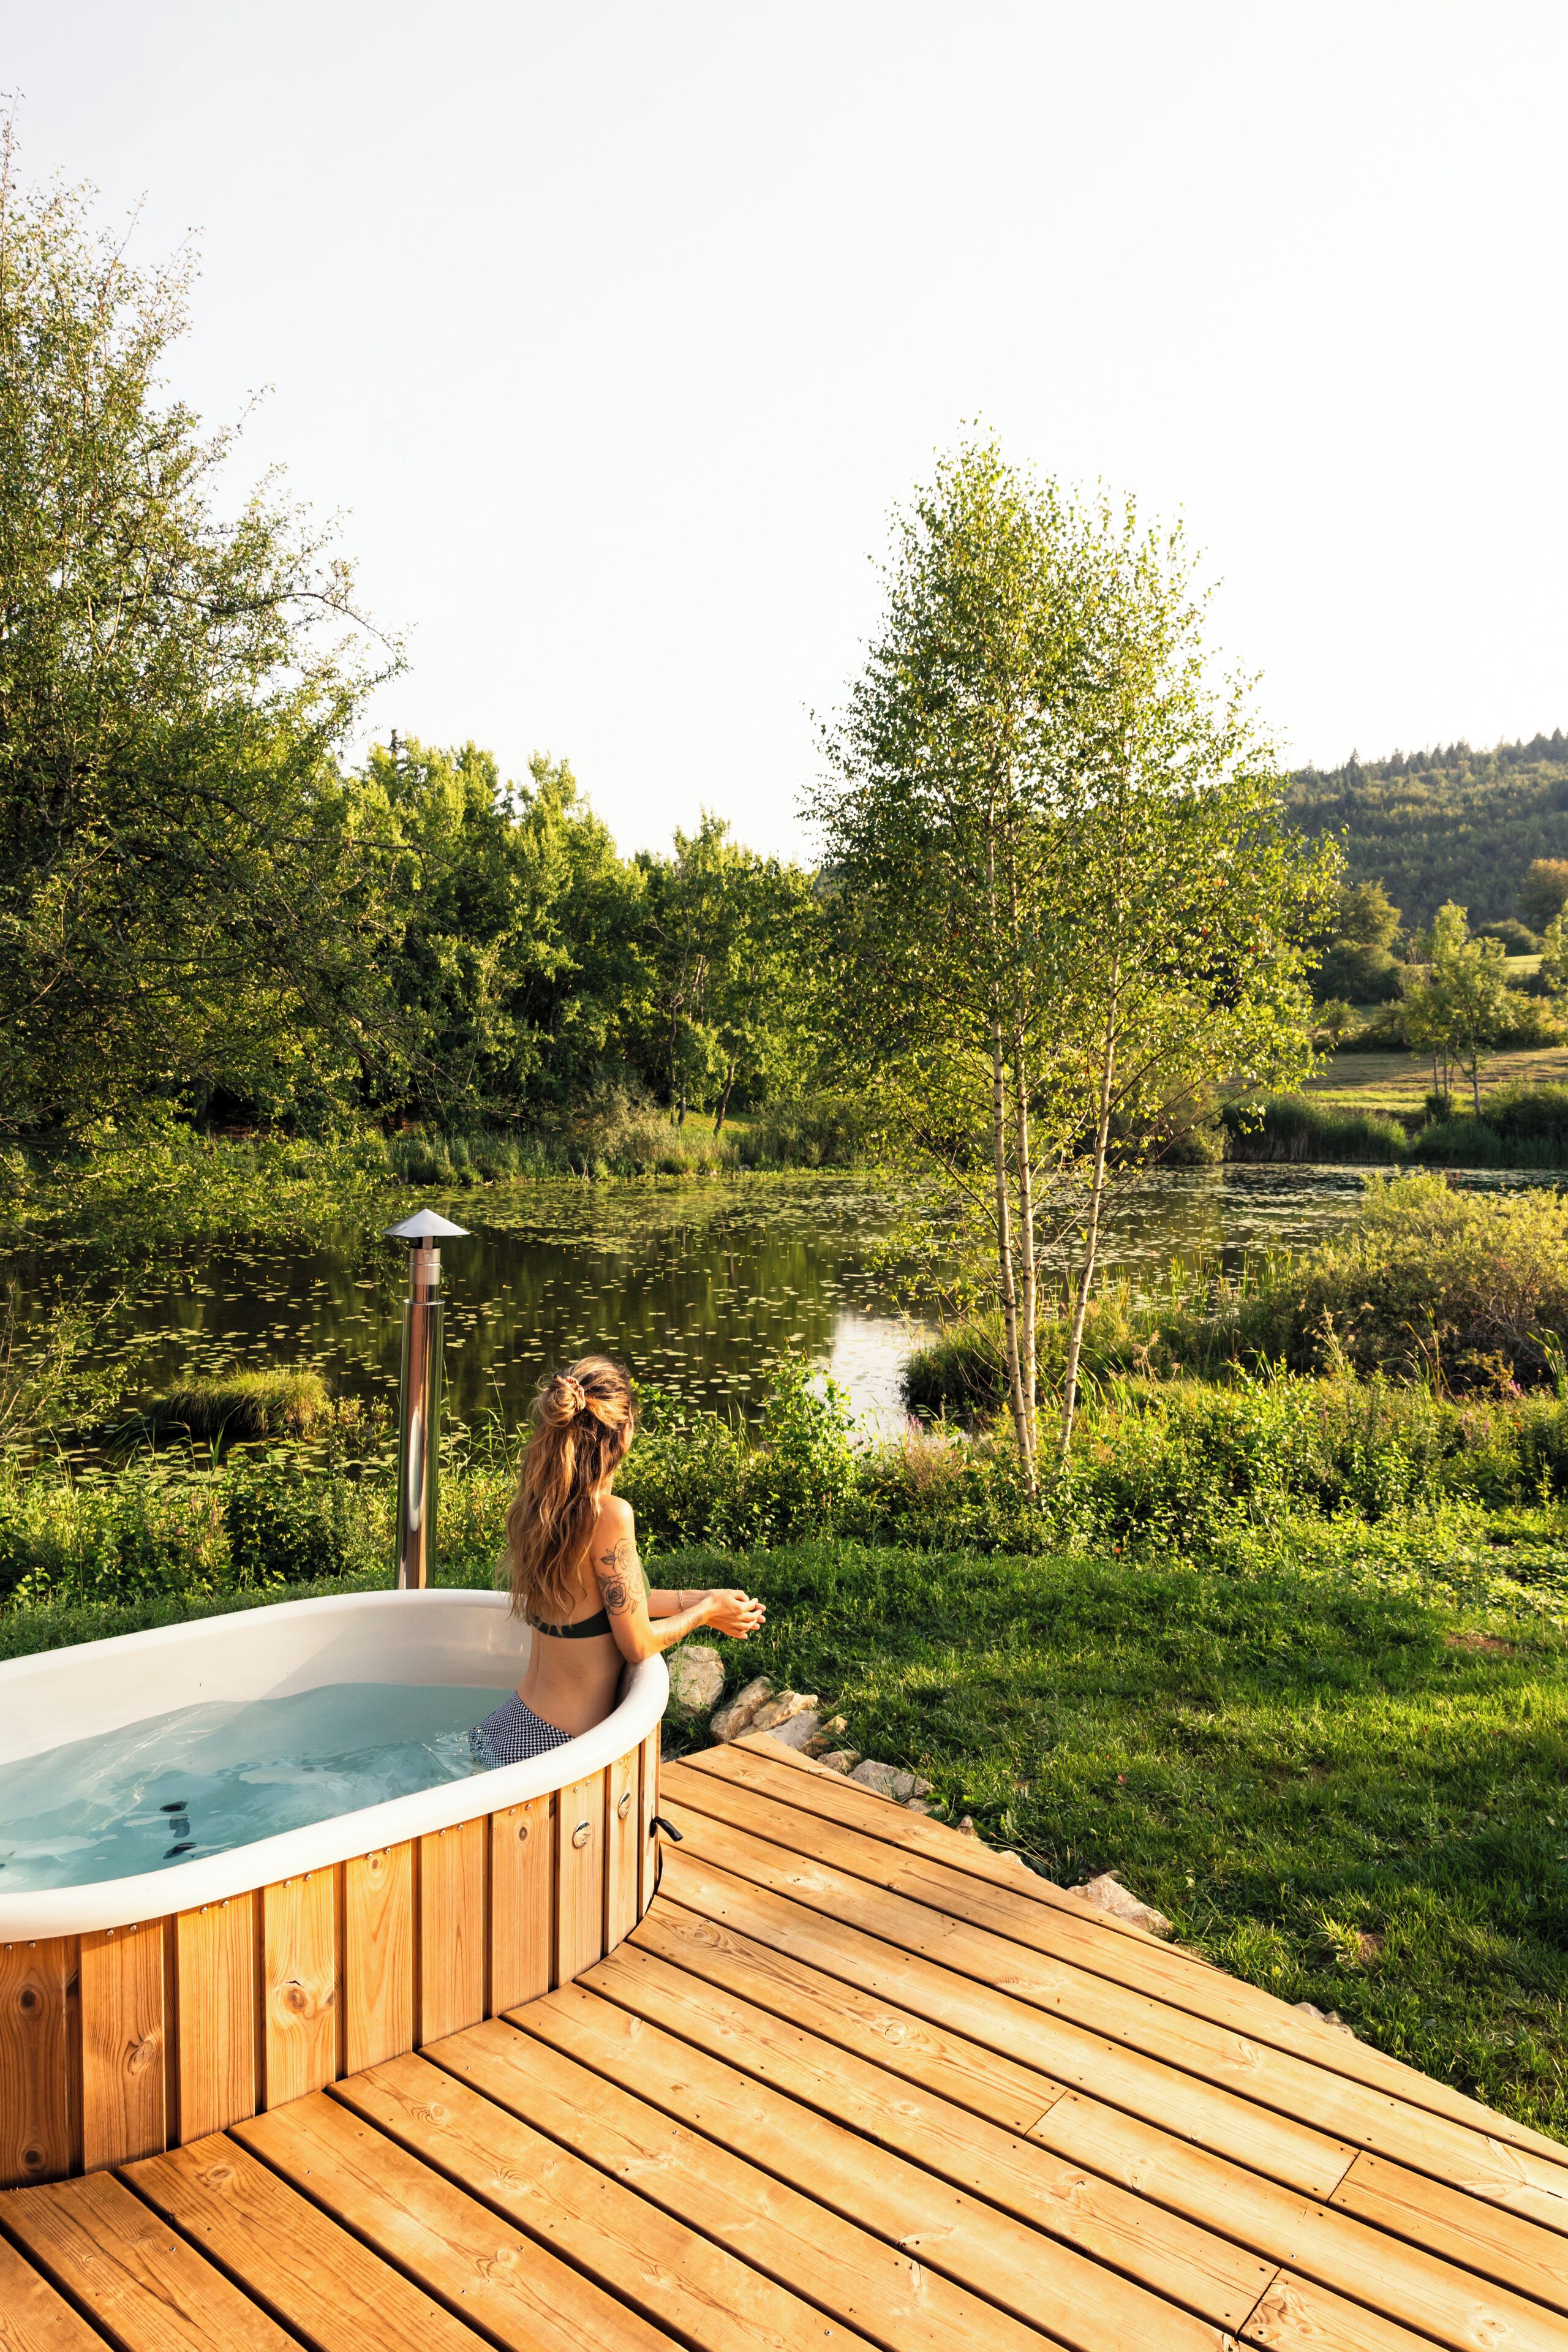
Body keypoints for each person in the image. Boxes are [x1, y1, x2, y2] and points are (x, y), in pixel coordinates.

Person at [471, 1354, 765, 1767]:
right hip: (557, 1744)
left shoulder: (541, 1508)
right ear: (624, 1431)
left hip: (509, 1723)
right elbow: (638, 1643)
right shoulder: (608, 1514)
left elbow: (608, 1601)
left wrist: (705, 1597)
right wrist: (705, 1612)